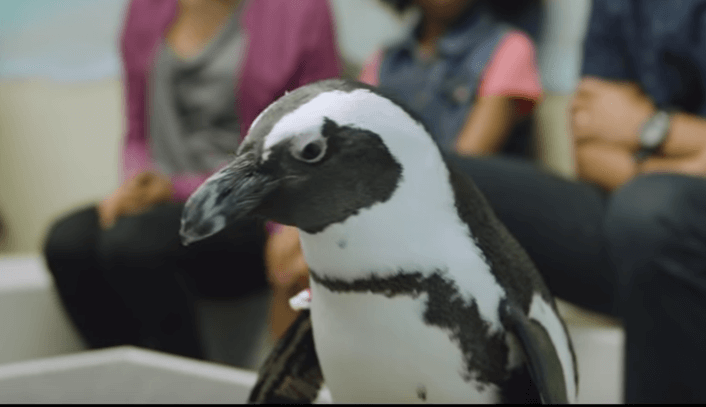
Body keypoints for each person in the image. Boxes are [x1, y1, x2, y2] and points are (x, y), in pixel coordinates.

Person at [43, 0, 340, 362]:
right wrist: (135, 185)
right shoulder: (145, 9)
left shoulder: (302, 11)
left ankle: (188, 391)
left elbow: (310, 141)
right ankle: (130, 382)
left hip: (251, 207)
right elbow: (137, 130)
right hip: (161, 202)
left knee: (134, 245)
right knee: (67, 242)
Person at [444, 0, 706, 402]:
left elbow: (620, 134)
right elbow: (588, 149)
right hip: (636, 220)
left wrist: (649, 127)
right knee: (450, 181)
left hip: (659, 219)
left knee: (651, 211)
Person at [266, 0, 545, 338]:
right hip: (385, 213)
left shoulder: (508, 48)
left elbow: (460, 168)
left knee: (323, 264)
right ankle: (285, 384)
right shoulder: (386, 59)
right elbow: (340, 150)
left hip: (461, 229)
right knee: (293, 254)